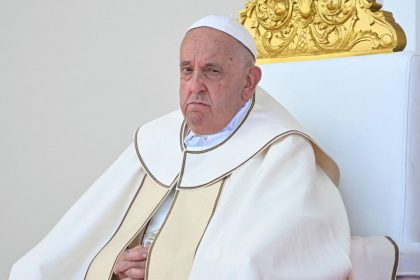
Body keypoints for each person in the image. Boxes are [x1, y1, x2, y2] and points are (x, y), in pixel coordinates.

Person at [9, 15, 352, 280]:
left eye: (212, 71)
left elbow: (270, 261)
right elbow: (86, 233)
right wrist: (111, 261)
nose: (195, 86)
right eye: (186, 70)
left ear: (249, 82)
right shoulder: (156, 138)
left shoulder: (282, 152)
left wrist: (162, 268)